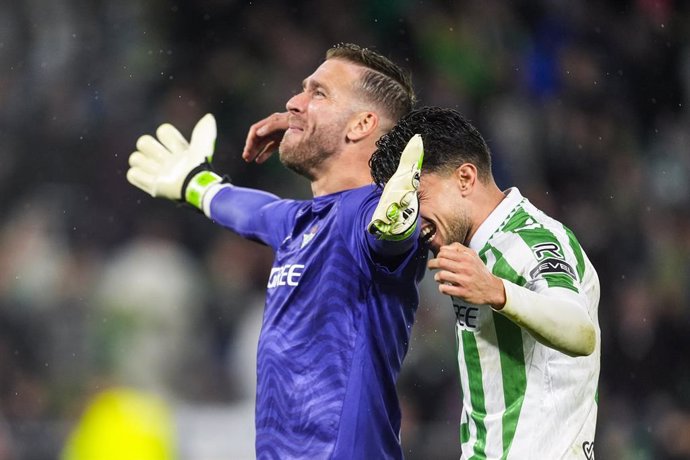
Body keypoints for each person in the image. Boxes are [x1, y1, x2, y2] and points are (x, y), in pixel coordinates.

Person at [126, 43, 428, 459]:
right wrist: (195, 183)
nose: (293, 102)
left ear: (360, 125)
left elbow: (386, 238)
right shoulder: (300, 222)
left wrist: (398, 223)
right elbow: (256, 212)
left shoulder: (365, 214)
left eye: (318, 93)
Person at [370, 106, 601, 459]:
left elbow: (581, 332)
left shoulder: (530, 240)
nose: (413, 219)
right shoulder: (469, 248)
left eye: (418, 198)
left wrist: (498, 291)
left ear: (465, 178)